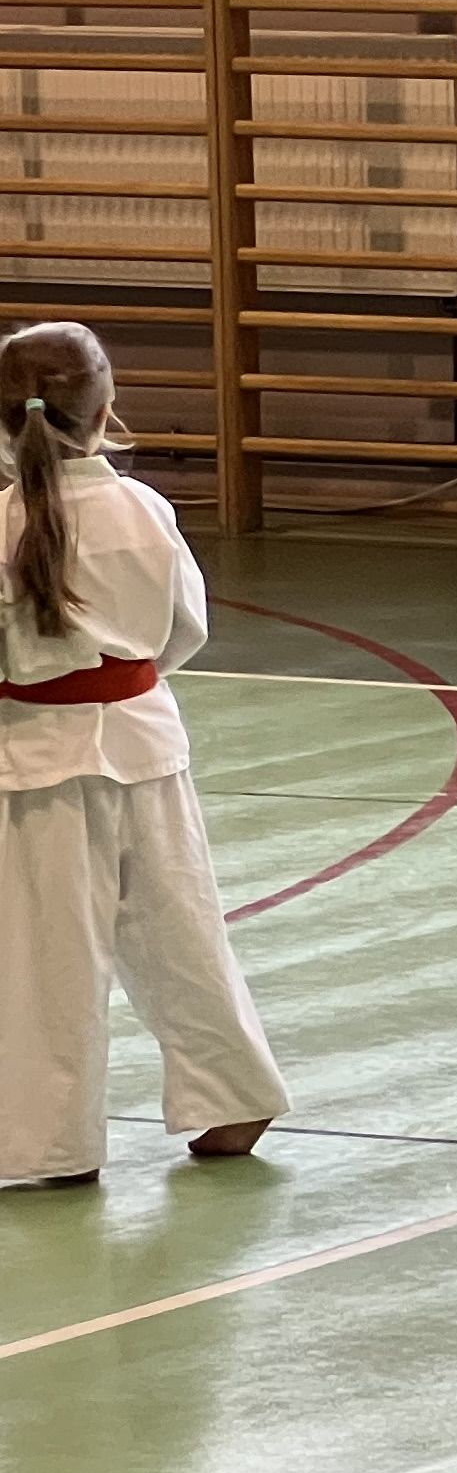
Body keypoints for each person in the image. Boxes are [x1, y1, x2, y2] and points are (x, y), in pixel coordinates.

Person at [0, 321, 286, 1187]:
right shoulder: (144, 510)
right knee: (178, 926)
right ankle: (232, 1094)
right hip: (147, 743)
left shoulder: (4, 522)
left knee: (49, 955)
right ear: (107, 409)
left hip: (38, 765)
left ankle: (54, 1144)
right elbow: (182, 630)